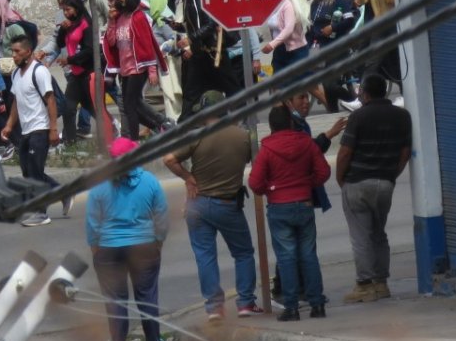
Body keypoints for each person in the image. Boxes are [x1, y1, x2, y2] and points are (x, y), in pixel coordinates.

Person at [163, 91, 260, 321]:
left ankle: (214, 308)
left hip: (198, 204)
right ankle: (246, 302)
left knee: (205, 256)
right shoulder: (245, 136)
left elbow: (168, 159)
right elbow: (254, 160)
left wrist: (188, 177)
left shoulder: (196, 136)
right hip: (228, 203)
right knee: (243, 253)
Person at [87, 136, 170, 341]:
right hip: (145, 245)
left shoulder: (100, 185)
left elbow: (93, 222)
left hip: (109, 247)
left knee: (115, 299)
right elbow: (161, 215)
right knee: (147, 296)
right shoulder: (150, 181)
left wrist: (95, 246)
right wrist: (158, 239)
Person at [248, 106, 331, 321]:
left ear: (272, 127)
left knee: (286, 258)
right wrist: (306, 184)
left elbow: (255, 183)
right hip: (304, 203)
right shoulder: (306, 143)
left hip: (279, 207)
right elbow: (324, 171)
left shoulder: (267, 149)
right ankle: (317, 304)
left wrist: (271, 189)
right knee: (308, 255)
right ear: (292, 123)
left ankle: (292, 307)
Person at [336, 73, 412, 304]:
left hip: (358, 182)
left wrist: (341, 179)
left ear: (364, 93)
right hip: (385, 182)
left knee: (361, 237)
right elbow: (405, 152)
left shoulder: (358, 116)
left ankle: (364, 285)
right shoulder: (402, 116)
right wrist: (391, 175)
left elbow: (345, 152)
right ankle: (381, 283)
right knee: (379, 233)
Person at [1, 36, 65, 227]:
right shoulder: (16, 75)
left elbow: (51, 100)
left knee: (36, 174)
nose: (13, 55)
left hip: (40, 128)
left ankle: (41, 213)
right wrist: (10, 125)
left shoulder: (39, 72)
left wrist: (53, 129)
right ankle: (63, 192)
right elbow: (16, 103)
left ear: (28, 52)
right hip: (26, 130)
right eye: (12, 51)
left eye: (17, 51)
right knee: (28, 172)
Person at [170, 0, 242, 122]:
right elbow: (195, 25)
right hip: (199, 54)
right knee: (191, 92)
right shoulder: (188, 0)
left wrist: (190, 39)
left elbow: (210, 25)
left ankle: (241, 118)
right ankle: (185, 126)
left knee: (231, 88)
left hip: (214, 53)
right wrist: (179, 27)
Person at [103, 0, 170, 140]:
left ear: (129, 0)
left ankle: (133, 141)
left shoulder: (138, 17)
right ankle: (160, 125)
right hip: (125, 69)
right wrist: (111, 20)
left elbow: (148, 45)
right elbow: (112, 41)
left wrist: (152, 71)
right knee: (129, 106)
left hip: (139, 68)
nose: (117, 1)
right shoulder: (119, 17)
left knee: (130, 105)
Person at [55, 0, 113, 144]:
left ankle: (112, 130)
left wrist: (69, 60)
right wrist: (62, 29)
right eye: (64, 10)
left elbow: (89, 50)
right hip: (75, 74)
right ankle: (70, 142)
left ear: (76, 8)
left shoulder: (85, 24)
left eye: (68, 10)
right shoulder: (70, 24)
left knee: (94, 108)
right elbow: (60, 42)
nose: (66, 13)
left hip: (88, 73)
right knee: (68, 108)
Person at [262, 0, 308, 72]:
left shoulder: (288, 4)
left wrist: (272, 45)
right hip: (279, 49)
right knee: (279, 80)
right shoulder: (273, 5)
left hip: (295, 50)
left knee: (299, 80)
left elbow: (288, 29)